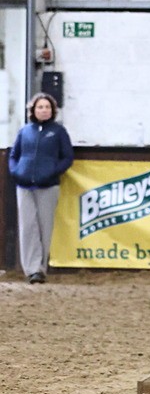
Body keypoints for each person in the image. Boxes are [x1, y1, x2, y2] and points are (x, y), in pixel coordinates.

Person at [8, 93, 74, 284]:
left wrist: (53, 172)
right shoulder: (24, 131)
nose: (43, 110)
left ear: (52, 110)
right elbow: (14, 154)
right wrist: (16, 171)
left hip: (48, 186)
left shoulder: (59, 132)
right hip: (24, 185)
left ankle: (41, 267)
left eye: (47, 107)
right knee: (27, 226)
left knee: (45, 226)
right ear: (33, 110)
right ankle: (31, 268)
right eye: (40, 107)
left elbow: (67, 157)